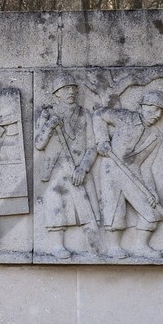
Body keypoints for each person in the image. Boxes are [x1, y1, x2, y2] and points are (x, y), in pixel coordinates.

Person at [89, 90, 163, 258]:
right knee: (114, 211)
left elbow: (146, 167)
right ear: (142, 107)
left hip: (134, 174)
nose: (158, 114)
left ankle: (141, 246)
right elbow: (98, 115)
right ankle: (113, 247)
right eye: (154, 109)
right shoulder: (125, 117)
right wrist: (102, 140)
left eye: (161, 111)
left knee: (151, 212)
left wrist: (152, 190)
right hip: (112, 168)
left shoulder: (156, 136)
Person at [34, 83, 98, 259]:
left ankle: (92, 245)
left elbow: (93, 146)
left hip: (78, 168)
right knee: (57, 204)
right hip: (55, 168)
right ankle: (57, 245)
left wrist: (83, 168)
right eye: (65, 89)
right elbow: (39, 143)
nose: (71, 92)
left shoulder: (84, 114)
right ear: (56, 93)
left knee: (85, 207)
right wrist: (49, 126)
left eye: (73, 88)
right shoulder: (47, 114)